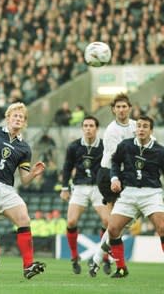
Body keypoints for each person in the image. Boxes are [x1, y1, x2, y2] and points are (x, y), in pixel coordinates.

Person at [0, 102, 46, 279]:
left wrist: (34, 173)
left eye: (21, 117)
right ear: (8, 118)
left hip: (7, 189)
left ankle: (28, 266)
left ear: (24, 122)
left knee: (24, 218)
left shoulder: (24, 148)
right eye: (15, 115)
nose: (18, 119)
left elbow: (24, 180)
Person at [107, 115, 164, 278]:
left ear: (151, 130)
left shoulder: (160, 151)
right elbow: (115, 163)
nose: (141, 129)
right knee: (112, 229)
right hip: (129, 193)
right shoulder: (125, 145)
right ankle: (121, 268)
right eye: (138, 126)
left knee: (162, 228)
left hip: (151, 193)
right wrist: (115, 178)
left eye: (145, 126)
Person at [90, 94, 136, 276]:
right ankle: (101, 259)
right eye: (118, 107)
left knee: (118, 224)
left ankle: (96, 259)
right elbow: (118, 159)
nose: (121, 109)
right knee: (114, 223)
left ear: (129, 108)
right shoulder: (111, 131)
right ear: (113, 110)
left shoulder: (135, 126)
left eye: (124, 106)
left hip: (126, 175)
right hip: (109, 175)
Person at [59, 116, 109, 275]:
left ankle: (105, 258)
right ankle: (74, 257)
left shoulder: (104, 146)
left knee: (108, 222)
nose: (88, 128)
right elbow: (67, 167)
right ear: (82, 128)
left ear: (97, 128)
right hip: (79, 187)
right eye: (85, 125)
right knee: (71, 221)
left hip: (98, 188)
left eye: (91, 125)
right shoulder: (74, 146)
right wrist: (64, 187)